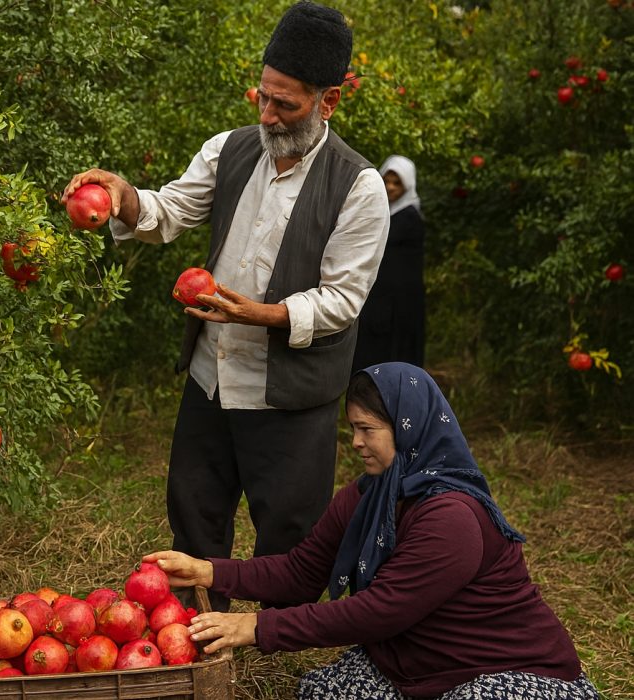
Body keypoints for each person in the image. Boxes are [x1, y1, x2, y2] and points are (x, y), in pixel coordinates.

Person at [62, 1, 389, 609]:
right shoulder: (231, 149)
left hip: (290, 392)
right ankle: (194, 630)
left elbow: (343, 300)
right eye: (262, 97)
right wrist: (124, 195)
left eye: (285, 104)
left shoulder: (359, 186)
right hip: (212, 378)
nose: (267, 114)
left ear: (329, 102)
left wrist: (260, 315)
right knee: (195, 512)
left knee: (289, 532)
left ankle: (273, 634)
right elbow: (168, 213)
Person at [144, 363, 600, 699]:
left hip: (506, 670)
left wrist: (256, 626)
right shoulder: (371, 495)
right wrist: (207, 571)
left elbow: (378, 613)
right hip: (416, 665)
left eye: (368, 430)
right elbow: (302, 571)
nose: (357, 443)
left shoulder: (451, 518)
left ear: (409, 429)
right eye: (353, 429)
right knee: (322, 693)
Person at [351, 155, 425, 373]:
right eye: (386, 181)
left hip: (399, 303)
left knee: (391, 355)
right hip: (378, 297)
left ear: (408, 185)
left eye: (397, 183)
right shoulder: (383, 212)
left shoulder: (409, 218)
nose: (390, 187)